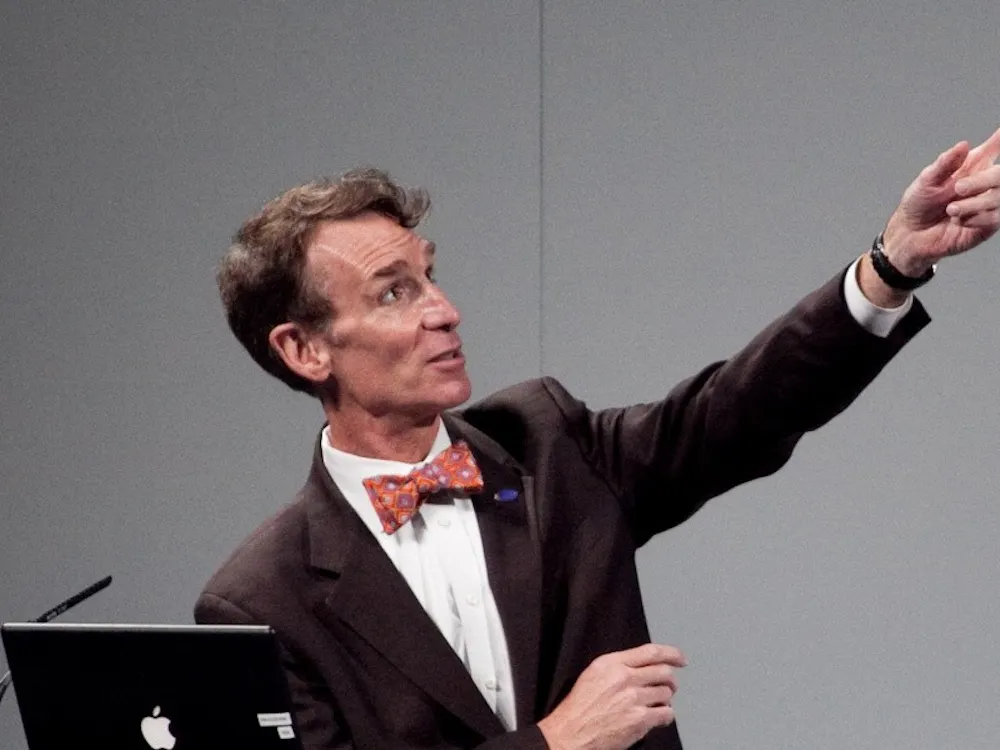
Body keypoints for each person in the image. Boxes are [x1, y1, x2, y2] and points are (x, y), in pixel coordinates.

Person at [195, 129, 1000, 749]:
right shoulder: (261, 601)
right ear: (304, 349)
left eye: (430, 275)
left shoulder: (546, 444)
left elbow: (737, 411)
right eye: (393, 293)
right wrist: (557, 742)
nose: (444, 310)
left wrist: (892, 264)